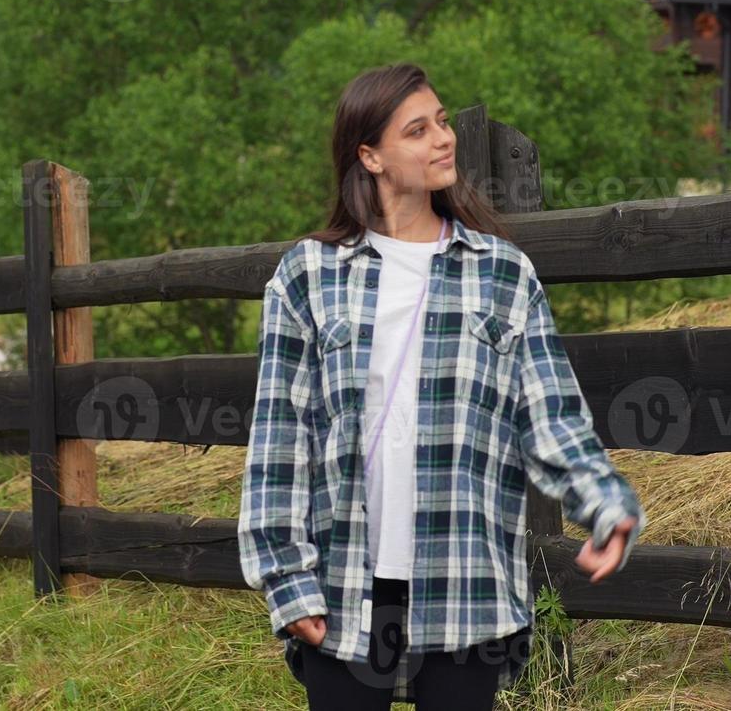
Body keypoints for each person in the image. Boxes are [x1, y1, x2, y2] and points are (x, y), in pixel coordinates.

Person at [238, 63, 647, 710]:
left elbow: (548, 412)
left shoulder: (501, 274)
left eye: (444, 121)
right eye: (418, 129)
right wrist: (287, 578)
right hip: (344, 587)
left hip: (466, 584)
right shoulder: (308, 275)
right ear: (369, 155)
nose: (443, 138)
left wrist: (604, 504)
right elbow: (279, 440)